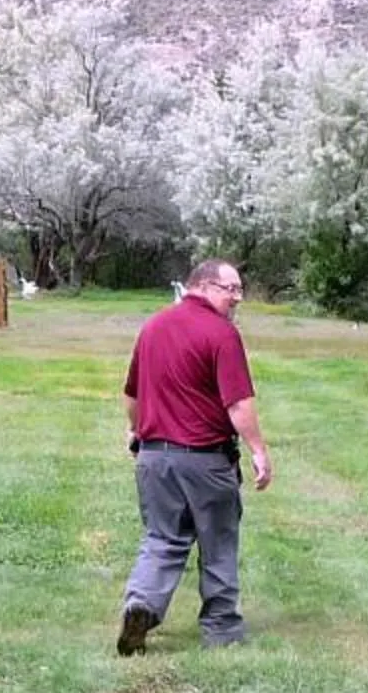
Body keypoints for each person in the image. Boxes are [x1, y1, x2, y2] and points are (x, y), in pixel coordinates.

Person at [115, 259, 271, 653]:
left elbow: (131, 395)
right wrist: (258, 451)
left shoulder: (153, 326)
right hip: (206, 460)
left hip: (154, 458)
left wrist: (136, 431)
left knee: (161, 539)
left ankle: (142, 604)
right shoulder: (221, 334)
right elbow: (238, 403)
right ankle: (221, 630)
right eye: (230, 288)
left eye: (239, 289)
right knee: (218, 542)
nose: (237, 298)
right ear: (201, 285)